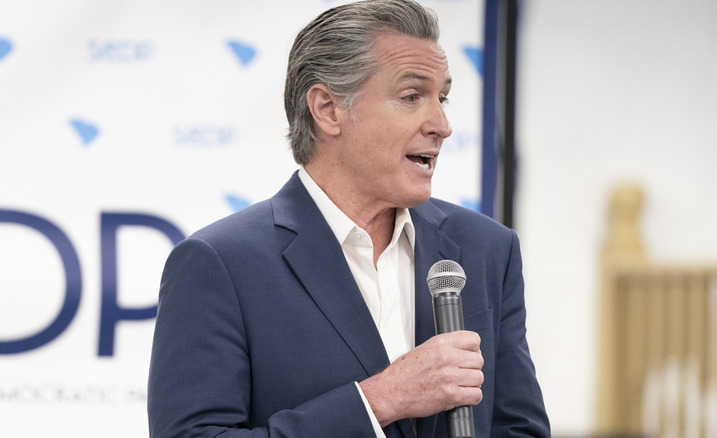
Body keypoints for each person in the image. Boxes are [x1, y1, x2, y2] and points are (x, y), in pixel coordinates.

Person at [147, 0, 550, 436]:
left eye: (443, 97)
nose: (442, 124)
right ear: (328, 109)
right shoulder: (219, 264)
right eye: (412, 96)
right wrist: (380, 400)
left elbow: (519, 427)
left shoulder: (487, 248)